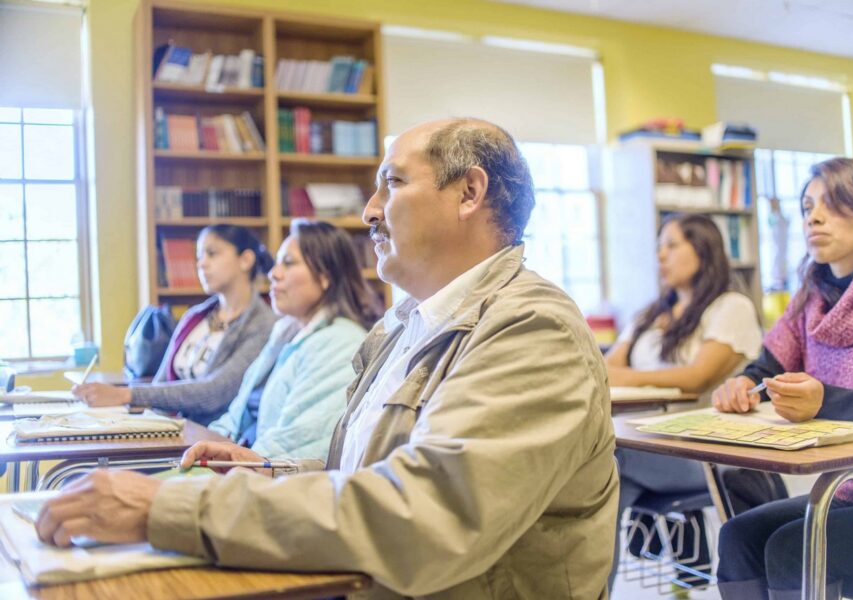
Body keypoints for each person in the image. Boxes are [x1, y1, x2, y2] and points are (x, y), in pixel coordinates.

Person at [36, 118, 619, 600]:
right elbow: (371, 472)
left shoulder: (533, 327)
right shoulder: (407, 323)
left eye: (391, 184)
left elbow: (426, 514)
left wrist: (173, 506)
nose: (369, 211)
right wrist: (269, 473)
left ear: (470, 192)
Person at [712, 157, 853, 600]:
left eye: (832, 205)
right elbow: (765, 367)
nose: (812, 217)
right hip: (852, 487)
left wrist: (825, 401)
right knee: (737, 536)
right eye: (807, 205)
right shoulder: (810, 299)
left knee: (790, 547)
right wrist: (742, 384)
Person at [604, 214, 762, 589]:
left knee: (608, 458)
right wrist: (623, 375)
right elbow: (607, 367)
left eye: (672, 245)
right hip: (647, 445)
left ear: (703, 249)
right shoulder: (651, 313)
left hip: (706, 453)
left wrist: (628, 378)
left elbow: (696, 378)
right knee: (604, 477)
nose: (661, 255)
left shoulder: (730, 307)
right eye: (659, 246)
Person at [207, 220, 380, 459]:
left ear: (325, 276)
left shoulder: (341, 343)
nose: (273, 273)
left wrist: (229, 464)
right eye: (277, 263)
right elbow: (235, 416)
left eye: (288, 263)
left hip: (270, 478)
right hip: (247, 465)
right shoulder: (286, 333)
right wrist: (208, 447)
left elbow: (299, 443)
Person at [72, 225, 276, 425]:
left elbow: (214, 393)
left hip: (215, 440)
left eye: (212, 254)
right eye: (199, 256)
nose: (201, 264)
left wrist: (124, 395)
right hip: (173, 430)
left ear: (246, 260)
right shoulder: (194, 317)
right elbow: (161, 384)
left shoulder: (264, 325)